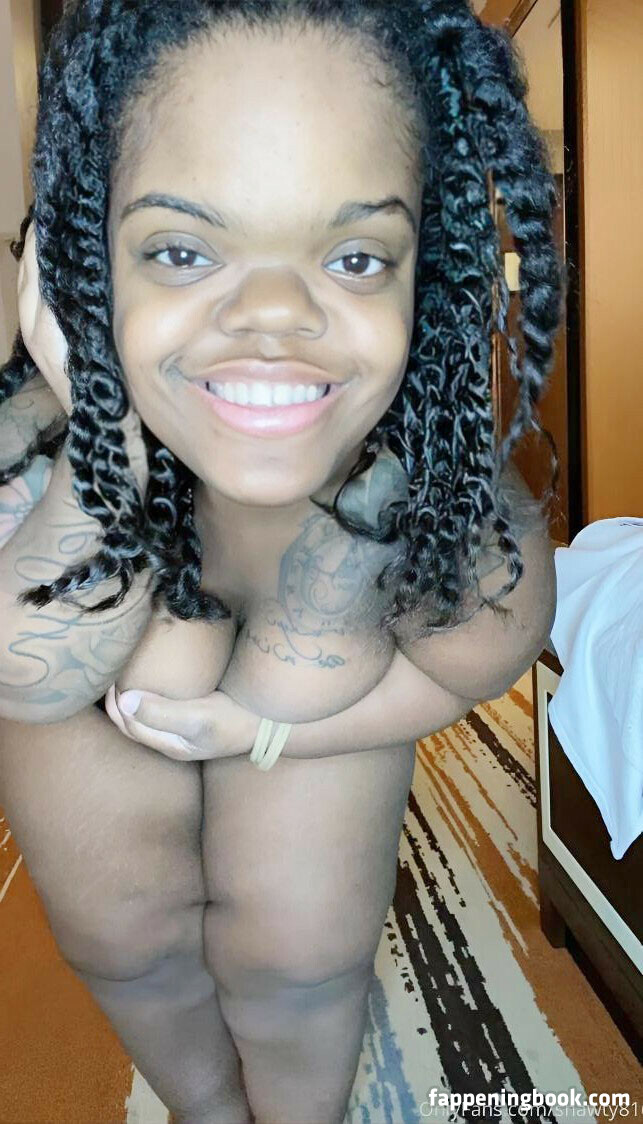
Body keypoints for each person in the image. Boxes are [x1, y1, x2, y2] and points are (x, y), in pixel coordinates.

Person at [0, 2, 564, 1121]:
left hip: (316, 708)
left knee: (297, 959)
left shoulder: (435, 503)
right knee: (121, 937)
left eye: (355, 257)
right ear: (81, 263)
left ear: (427, 276)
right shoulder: (35, 434)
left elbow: (474, 663)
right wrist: (106, 448)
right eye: (180, 250)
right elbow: (25, 678)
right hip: (97, 690)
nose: (272, 316)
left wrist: (267, 734)